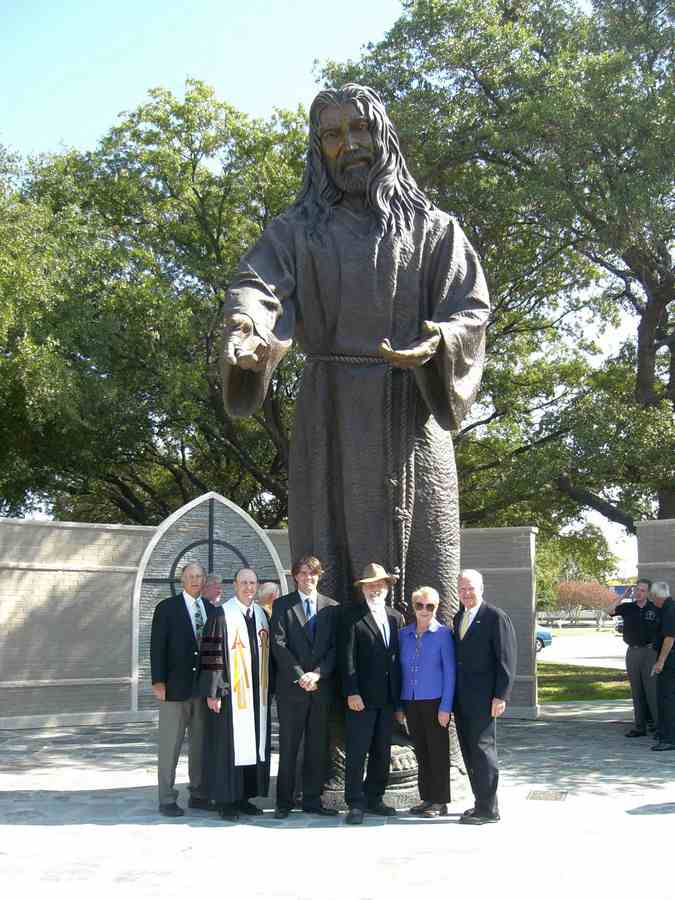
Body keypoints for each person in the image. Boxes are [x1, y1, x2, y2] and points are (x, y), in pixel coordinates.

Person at [220, 83, 489, 615]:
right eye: (333, 135)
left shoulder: (434, 230)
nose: (349, 144)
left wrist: (438, 341)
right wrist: (248, 325)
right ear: (318, 149)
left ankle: (426, 691)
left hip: (411, 410)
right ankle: (329, 688)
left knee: (425, 560)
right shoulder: (297, 230)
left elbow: (471, 309)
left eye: (360, 128)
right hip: (330, 413)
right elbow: (256, 282)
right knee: (327, 553)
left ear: (382, 133)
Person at [199, 567, 273, 820]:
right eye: (244, 583)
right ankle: (225, 801)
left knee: (252, 745)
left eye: (252, 583)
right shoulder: (222, 615)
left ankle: (244, 797)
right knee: (227, 747)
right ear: (235, 585)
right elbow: (211, 656)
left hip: (256, 696)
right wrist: (213, 692)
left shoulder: (262, 615)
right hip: (231, 695)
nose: (249, 587)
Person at [271, 555, 340, 817]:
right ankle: (284, 802)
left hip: (320, 689)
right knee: (289, 746)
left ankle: (312, 799)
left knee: (317, 746)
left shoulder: (332, 608)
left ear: (318, 576)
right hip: (292, 689)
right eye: (302, 573)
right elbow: (278, 644)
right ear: (295, 577)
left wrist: (317, 675)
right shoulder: (282, 606)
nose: (307, 578)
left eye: (312, 573)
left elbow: (335, 648)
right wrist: (301, 674)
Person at [339, 563, 404, 824]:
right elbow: (347, 660)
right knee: (357, 752)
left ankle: (375, 798)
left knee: (382, 751)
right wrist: (351, 693)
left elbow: (397, 660)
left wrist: (399, 702)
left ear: (387, 587)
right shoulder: (351, 616)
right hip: (361, 699)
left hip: (388, 699)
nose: (375, 588)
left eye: (379, 584)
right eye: (370, 584)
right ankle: (355, 802)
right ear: (363, 588)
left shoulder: (395, 617)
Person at [453, 569, 516, 825]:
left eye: (471, 588)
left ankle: (490, 809)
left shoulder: (495, 617)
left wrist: (501, 696)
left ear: (481, 588)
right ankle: (480, 802)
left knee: (483, 751)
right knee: (470, 751)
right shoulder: (460, 617)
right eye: (462, 589)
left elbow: (506, 659)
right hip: (463, 698)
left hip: (484, 698)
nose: (466, 593)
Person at [150, 562, 209, 816]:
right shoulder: (167, 608)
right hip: (174, 689)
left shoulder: (211, 609)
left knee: (200, 746)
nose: (196, 580)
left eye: (199, 576)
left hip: (203, 690)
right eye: (191, 576)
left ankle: (198, 793)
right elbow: (157, 647)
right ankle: (166, 798)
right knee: (170, 745)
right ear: (182, 580)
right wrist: (158, 681)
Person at [397, 586, 455, 817]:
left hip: (435, 702)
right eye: (419, 605)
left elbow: (450, 673)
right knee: (421, 751)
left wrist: (446, 707)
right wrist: (400, 706)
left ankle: (440, 801)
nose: (424, 610)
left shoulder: (443, 635)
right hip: (410, 701)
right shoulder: (403, 635)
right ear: (413, 607)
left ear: (436, 607)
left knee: (438, 752)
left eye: (429, 606)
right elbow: (398, 672)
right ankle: (427, 798)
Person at [607, 579, 659, 737]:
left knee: (652, 691)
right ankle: (639, 727)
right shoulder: (627, 607)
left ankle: (658, 727)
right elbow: (608, 610)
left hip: (650, 652)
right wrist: (622, 595)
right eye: (637, 589)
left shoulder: (655, 608)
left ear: (648, 593)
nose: (639, 593)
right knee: (636, 690)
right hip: (633, 652)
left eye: (642, 590)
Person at [649, 581, 675, 752]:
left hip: (670, 661)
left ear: (657, 596)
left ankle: (669, 739)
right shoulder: (669, 607)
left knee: (667, 700)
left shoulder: (669, 610)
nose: (652, 600)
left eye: (652, 596)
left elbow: (669, 638)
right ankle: (665, 733)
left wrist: (660, 662)